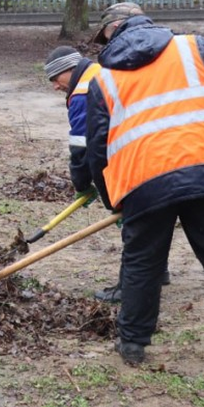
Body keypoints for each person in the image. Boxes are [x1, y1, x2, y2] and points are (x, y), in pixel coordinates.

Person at [85, 2, 204, 374]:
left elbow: (97, 150)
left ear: (116, 27)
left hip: (143, 184)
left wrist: (114, 201)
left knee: (142, 262)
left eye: (102, 34)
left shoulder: (102, 79)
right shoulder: (193, 48)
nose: (101, 42)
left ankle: (133, 343)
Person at [45, 43, 168, 303]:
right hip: (151, 149)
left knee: (132, 219)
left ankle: (131, 286)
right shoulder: (104, 71)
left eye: (55, 79)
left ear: (68, 70)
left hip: (130, 158)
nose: (55, 86)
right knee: (153, 217)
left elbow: (82, 147)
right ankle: (158, 270)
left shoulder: (82, 92)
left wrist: (82, 185)